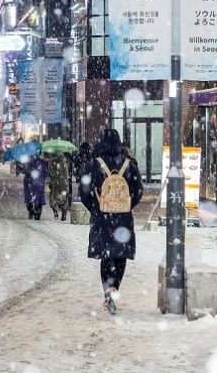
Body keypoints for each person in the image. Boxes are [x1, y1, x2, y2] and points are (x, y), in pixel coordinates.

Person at [79, 129, 143, 314]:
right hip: (123, 218)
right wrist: (126, 205)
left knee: (106, 256)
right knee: (120, 256)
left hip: (102, 218)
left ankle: (107, 293)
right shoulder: (128, 165)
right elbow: (138, 191)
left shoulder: (93, 165)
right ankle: (114, 290)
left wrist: (96, 207)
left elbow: (83, 193)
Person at [23, 152, 48, 220]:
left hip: (29, 183)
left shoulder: (28, 162)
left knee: (29, 198)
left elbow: (26, 171)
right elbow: (45, 172)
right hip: (39, 183)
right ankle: (37, 213)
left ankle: (31, 212)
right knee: (39, 198)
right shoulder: (41, 162)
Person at [48, 151, 70, 221]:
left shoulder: (53, 163)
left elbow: (51, 173)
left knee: (53, 200)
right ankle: (63, 213)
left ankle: (56, 213)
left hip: (55, 183)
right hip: (63, 183)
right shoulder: (65, 163)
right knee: (63, 199)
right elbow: (66, 175)